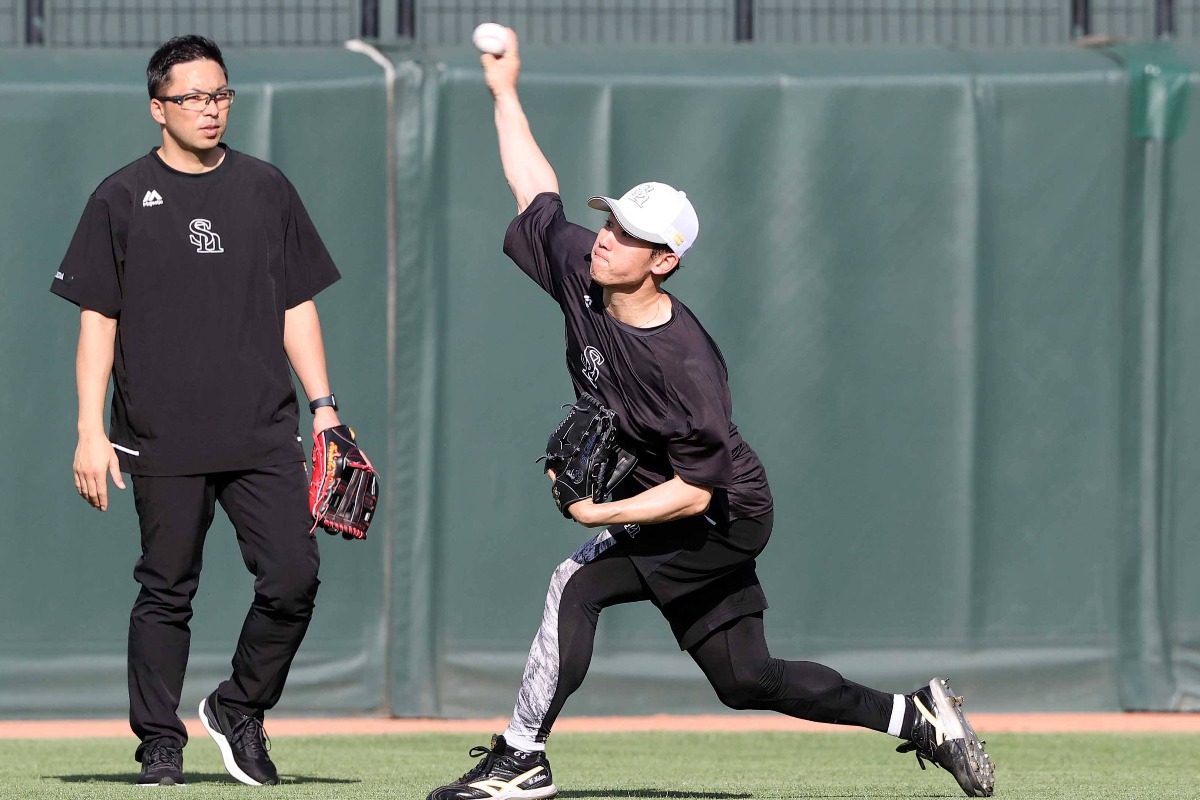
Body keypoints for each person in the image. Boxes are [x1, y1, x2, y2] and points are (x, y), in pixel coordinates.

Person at [426, 27, 995, 800]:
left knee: (575, 585)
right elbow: (536, 193)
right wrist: (504, 91)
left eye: (630, 235)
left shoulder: (685, 365)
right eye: (611, 221)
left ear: (663, 260)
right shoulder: (583, 271)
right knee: (745, 678)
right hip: (692, 508)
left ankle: (520, 758)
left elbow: (695, 492)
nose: (608, 238)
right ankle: (920, 718)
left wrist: (603, 513)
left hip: (720, 515)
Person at [51, 35, 345, 787]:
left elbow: (296, 305)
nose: (210, 110)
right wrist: (90, 430)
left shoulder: (266, 188)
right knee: (166, 590)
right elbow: (97, 322)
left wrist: (325, 408)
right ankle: (159, 742)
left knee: (293, 577)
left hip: (262, 430)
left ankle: (239, 706)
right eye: (191, 98)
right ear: (158, 108)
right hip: (160, 435)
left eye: (220, 95)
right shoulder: (119, 197)